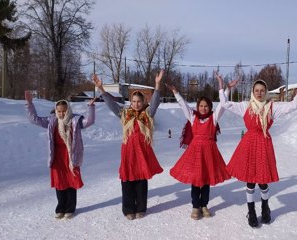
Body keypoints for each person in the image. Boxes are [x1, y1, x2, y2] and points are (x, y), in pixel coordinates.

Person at [222, 79, 297, 228]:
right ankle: (251, 211)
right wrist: (227, 90)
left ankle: (265, 208)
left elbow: (292, 106)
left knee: (263, 181)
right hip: (249, 145)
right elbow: (225, 104)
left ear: (266, 91)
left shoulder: (272, 107)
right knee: (250, 180)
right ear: (253, 92)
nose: (259, 93)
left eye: (262, 90)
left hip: (263, 145)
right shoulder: (245, 106)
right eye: (257, 90)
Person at [92, 70, 164, 220]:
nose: (136, 104)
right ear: (130, 102)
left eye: (139, 101)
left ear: (143, 102)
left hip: (143, 152)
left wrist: (157, 85)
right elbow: (111, 105)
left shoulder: (147, 114)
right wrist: (101, 89)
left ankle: (141, 208)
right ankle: (128, 209)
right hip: (128, 152)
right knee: (127, 181)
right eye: (134, 101)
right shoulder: (125, 113)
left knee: (141, 181)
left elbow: (155, 103)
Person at [166, 72, 230, 220]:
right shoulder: (193, 117)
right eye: (201, 106)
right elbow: (183, 105)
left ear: (210, 107)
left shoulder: (213, 118)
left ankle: (204, 205)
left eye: (206, 106)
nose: (203, 108)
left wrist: (224, 88)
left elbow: (223, 105)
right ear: (197, 107)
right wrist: (175, 92)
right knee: (196, 181)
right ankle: (196, 206)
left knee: (206, 181)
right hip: (195, 153)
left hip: (209, 152)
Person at [25, 91, 95, 219]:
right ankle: (60, 208)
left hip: (71, 156)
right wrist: (29, 104)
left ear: (68, 110)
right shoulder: (52, 121)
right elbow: (34, 119)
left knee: (70, 182)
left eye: (64, 111)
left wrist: (90, 107)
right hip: (57, 156)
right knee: (59, 183)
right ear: (56, 111)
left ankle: (70, 208)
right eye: (59, 111)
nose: (61, 114)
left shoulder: (75, 120)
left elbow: (89, 121)